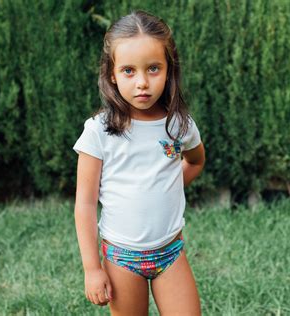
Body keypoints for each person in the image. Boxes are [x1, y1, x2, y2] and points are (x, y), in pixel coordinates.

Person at [73, 10, 205, 315]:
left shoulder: (179, 125)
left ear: (169, 70)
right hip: (122, 259)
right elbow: (85, 204)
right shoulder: (99, 132)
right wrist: (92, 269)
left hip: (171, 253)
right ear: (112, 74)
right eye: (129, 71)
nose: (142, 82)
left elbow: (196, 161)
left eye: (154, 69)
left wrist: (165, 188)